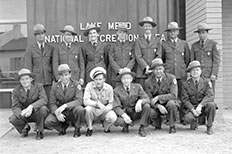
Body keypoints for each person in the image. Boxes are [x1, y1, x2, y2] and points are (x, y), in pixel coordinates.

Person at [161, 21, 191, 124]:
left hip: (181, 74)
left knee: (182, 95)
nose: (172, 33)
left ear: (178, 32)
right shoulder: (164, 44)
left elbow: (187, 59)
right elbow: (162, 59)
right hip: (169, 75)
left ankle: (182, 117)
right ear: (168, 33)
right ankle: (170, 118)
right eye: (170, 31)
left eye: (174, 31)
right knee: (170, 95)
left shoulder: (184, 43)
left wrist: (183, 69)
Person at [45, 64, 84, 137]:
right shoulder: (55, 86)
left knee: (80, 109)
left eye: (66, 75)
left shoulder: (76, 85)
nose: (64, 77)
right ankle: (61, 127)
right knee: (48, 121)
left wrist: (65, 106)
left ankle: (77, 128)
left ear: (70, 74)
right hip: (61, 112)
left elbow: (79, 100)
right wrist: (57, 113)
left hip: (72, 110)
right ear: (59, 76)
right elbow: (52, 103)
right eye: (62, 75)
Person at [9, 68, 49, 140]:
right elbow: (15, 106)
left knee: (43, 109)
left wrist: (31, 107)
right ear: (20, 81)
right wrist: (21, 113)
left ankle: (39, 130)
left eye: (27, 79)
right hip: (24, 114)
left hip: (36, 112)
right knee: (13, 119)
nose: (25, 81)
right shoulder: (16, 91)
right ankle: (25, 128)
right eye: (22, 79)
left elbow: (44, 99)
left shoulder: (39, 86)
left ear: (31, 79)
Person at [145, 58, 179, 134]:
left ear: (163, 69)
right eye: (156, 69)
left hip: (168, 102)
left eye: (160, 69)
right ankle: (157, 122)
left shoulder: (171, 78)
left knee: (172, 104)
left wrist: (158, 97)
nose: (158, 71)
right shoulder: (148, 82)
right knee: (150, 110)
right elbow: (149, 98)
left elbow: (174, 95)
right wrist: (158, 106)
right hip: (156, 105)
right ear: (153, 71)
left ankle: (172, 125)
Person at [113, 68, 151, 137]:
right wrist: (124, 115)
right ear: (121, 80)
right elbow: (116, 107)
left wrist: (140, 101)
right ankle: (125, 125)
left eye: (128, 78)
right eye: (124, 78)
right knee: (120, 121)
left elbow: (147, 99)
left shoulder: (138, 87)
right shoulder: (116, 90)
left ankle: (142, 127)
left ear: (131, 79)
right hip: (125, 112)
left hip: (136, 111)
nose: (126, 80)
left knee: (146, 106)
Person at [182, 60, 216, 135]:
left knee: (211, 105)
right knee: (188, 118)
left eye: (197, 70)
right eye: (193, 70)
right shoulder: (185, 84)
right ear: (190, 73)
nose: (195, 72)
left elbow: (210, 95)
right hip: (193, 108)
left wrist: (200, 105)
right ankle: (195, 121)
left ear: (200, 72)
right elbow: (185, 100)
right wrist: (193, 110)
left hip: (203, 107)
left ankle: (209, 126)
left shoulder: (206, 82)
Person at [24, 24, 56, 100]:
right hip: (36, 80)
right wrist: (30, 78)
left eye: (42, 33)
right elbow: (28, 65)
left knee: (49, 100)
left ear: (44, 34)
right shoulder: (30, 48)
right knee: (38, 101)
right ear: (35, 36)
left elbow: (53, 64)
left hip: (48, 80)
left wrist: (55, 78)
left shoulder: (51, 48)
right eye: (38, 34)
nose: (40, 36)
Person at [83, 67, 117, 136]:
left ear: (104, 79)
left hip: (104, 109)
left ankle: (106, 127)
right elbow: (85, 101)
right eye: (96, 79)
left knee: (113, 117)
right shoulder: (89, 86)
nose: (98, 81)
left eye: (100, 79)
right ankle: (90, 128)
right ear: (93, 80)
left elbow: (111, 104)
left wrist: (103, 110)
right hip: (93, 108)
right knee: (87, 109)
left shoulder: (109, 88)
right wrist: (97, 104)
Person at [191, 23, 220, 91]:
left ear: (207, 33)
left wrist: (214, 74)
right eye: (200, 33)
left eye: (203, 32)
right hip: (198, 75)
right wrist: (192, 74)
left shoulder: (213, 44)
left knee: (210, 93)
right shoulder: (194, 45)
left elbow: (216, 60)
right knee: (198, 93)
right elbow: (192, 60)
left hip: (209, 74)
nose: (201, 35)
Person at [135, 16, 161, 88]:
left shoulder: (157, 40)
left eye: (149, 26)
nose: (147, 28)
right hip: (142, 72)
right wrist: (146, 67)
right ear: (143, 27)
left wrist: (152, 67)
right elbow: (138, 56)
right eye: (145, 26)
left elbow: (158, 55)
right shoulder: (138, 41)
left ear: (152, 27)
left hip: (154, 72)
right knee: (142, 93)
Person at [108, 22, 135, 88]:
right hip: (116, 76)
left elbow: (133, 58)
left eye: (124, 32)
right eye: (120, 32)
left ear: (126, 34)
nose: (122, 34)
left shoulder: (131, 45)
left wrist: (127, 69)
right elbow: (111, 59)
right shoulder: (112, 45)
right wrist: (118, 70)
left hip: (128, 76)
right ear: (117, 33)